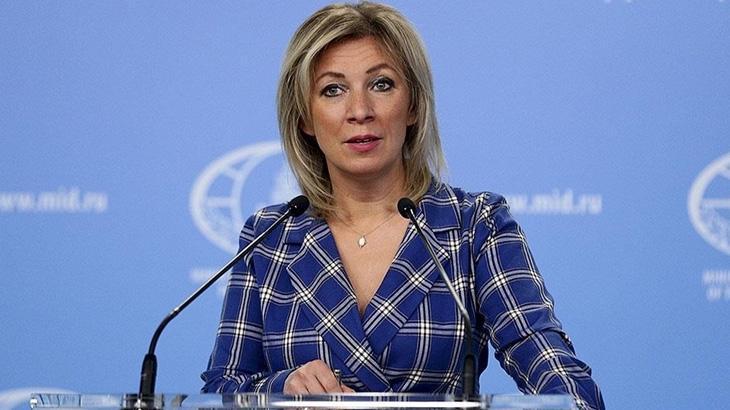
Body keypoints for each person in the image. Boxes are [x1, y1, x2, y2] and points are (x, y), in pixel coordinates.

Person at [201, 2, 605, 409]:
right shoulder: (270, 237)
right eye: (333, 90)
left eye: (381, 84)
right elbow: (222, 388)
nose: (360, 111)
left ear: (413, 105)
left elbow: (555, 372)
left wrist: (573, 402)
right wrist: (283, 387)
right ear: (305, 117)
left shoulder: (474, 226)